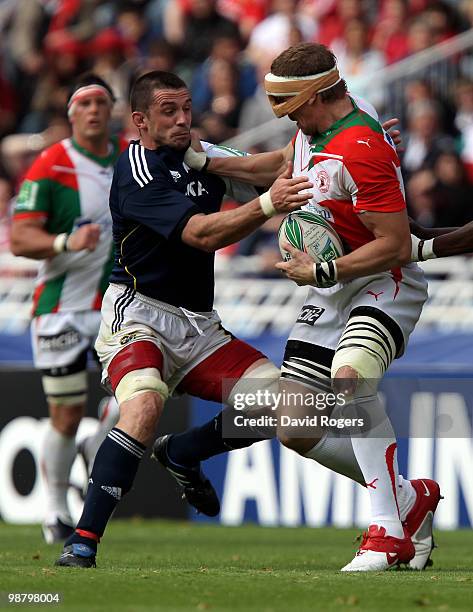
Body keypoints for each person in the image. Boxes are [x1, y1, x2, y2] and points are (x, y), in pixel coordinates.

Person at [168, 42, 442, 572]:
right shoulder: (312, 131)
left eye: (291, 105)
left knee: (351, 379)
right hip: (329, 291)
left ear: (317, 93)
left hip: (381, 281)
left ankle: (387, 530)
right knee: (295, 425)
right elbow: (281, 163)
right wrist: (206, 157)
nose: (287, 117)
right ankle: (410, 499)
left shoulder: (363, 146)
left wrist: (321, 270)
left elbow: (394, 242)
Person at [54, 70, 313, 568]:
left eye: (186, 109)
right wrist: (265, 205)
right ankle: (82, 540)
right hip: (139, 315)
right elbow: (200, 235)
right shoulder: (137, 166)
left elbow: (279, 165)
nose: (181, 120)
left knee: (283, 406)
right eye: (168, 112)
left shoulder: (201, 155)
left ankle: (184, 452)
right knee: (145, 405)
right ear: (140, 121)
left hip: (200, 326)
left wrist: (348, 140)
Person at [10, 74, 124, 543]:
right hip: (61, 310)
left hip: (117, 307)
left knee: (137, 396)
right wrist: (64, 241)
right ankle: (55, 509)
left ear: (112, 109)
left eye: (102, 102)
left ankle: (99, 442)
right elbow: (19, 237)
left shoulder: (132, 158)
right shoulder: (52, 165)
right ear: (72, 113)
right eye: (85, 103)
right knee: (64, 414)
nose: (94, 110)